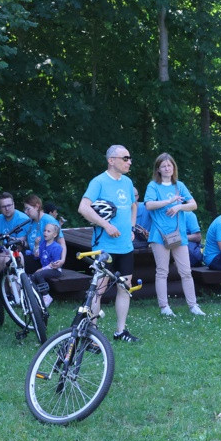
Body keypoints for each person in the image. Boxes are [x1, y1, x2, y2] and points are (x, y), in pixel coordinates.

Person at [78, 145, 139, 342]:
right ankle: (93, 334)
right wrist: (106, 225)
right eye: (125, 158)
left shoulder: (128, 182)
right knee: (98, 290)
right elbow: (83, 208)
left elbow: (133, 205)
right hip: (104, 248)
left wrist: (131, 228)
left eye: (130, 158)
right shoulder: (99, 182)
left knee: (125, 288)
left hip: (125, 247)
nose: (129, 161)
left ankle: (120, 331)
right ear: (111, 160)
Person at [144, 153, 206, 317]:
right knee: (162, 271)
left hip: (178, 235)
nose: (167, 168)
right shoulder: (153, 186)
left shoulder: (179, 185)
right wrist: (169, 201)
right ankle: (164, 307)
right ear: (158, 169)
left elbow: (193, 205)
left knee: (186, 271)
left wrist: (179, 207)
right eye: (163, 166)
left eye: (169, 165)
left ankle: (193, 305)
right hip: (159, 235)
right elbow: (149, 205)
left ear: (173, 167)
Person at [21, 195, 67, 273]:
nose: (25, 212)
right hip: (34, 256)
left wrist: (62, 260)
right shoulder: (30, 222)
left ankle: (22, 283)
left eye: (28, 209)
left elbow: (62, 243)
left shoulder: (49, 220)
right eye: (25, 209)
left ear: (37, 207)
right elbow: (30, 243)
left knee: (20, 259)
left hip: (45, 260)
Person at [0, 192, 30, 272]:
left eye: (9, 205)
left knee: (4, 260)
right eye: (4, 206)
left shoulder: (22, 219)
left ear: (13, 205)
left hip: (22, 250)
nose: (7, 209)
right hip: (6, 249)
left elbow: (19, 244)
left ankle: (11, 283)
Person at [32, 222, 64, 307]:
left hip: (55, 270)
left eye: (48, 231)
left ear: (54, 235)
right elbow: (36, 255)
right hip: (45, 269)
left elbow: (54, 264)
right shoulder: (43, 244)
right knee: (33, 276)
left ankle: (47, 296)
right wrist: (36, 245)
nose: (45, 232)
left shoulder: (56, 247)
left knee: (38, 274)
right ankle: (37, 296)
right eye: (44, 230)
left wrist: (42, 269)